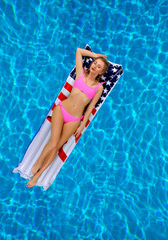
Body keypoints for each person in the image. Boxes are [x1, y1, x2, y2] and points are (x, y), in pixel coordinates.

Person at [27, 48, 109, 188]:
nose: (94, 65)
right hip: (62, 109)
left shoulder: (99, 87)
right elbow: (78, 51)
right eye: (94, 63)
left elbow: (90, 108)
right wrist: (96, 55)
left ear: (101, 72)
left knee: (57, 147)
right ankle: (38, 162)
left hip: (74, 119)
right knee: (53, 144)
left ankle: (37, 176)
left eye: (98, 66)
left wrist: (83, 124)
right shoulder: (80, 74)